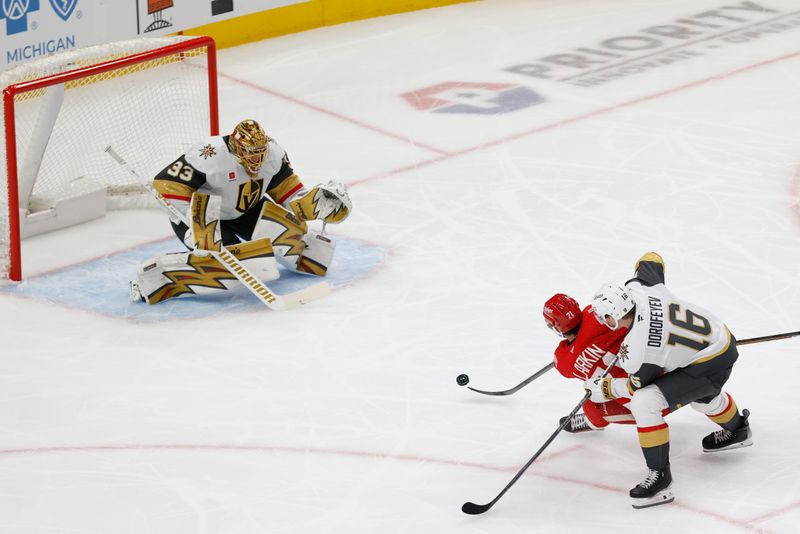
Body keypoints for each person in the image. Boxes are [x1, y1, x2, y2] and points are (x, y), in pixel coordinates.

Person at [586, 252, 752, 509]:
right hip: (719, 336)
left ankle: (660, 477)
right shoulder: (640, 288)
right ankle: (738, 429)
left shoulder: (641, 348)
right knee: (703, 398)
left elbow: (635, 385)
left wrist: (606, 388)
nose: (601, 322)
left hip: (710, 363)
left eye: (604, 317)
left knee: (645, 403)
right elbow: (651, 259)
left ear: (615, 316)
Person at [130, 119, 352, 304]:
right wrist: (196, 225)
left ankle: (302, 254)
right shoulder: (209, 155)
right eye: (251, 153)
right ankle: (160, 277)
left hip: (246, 210)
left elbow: (287, 189)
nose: (257, 160)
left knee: (289, 228)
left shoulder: (273, 154)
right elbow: (165, 185)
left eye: (260, 152)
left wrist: (315, 203)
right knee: (240, 263)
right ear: (237, 148)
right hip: (206, 217)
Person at [544, 293, 635, 433]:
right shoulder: (596, 313)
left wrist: (570, 347)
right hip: (659, 366)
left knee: (591, 406)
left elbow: (563, 359)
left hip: (641, 400)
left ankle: (591, 422)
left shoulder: (563, 362)